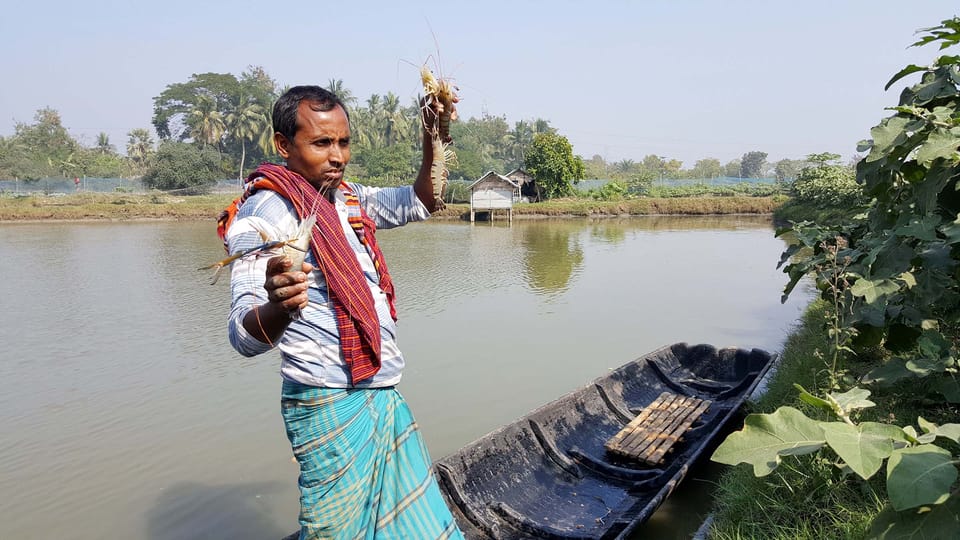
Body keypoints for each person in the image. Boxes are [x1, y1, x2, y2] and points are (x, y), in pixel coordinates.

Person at [219, 85, 463, 539]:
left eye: (343, 143)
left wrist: (434, 135)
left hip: (380, 388)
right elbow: (242, 335)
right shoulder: (264, 215)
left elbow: (421, 201)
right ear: (283, 145)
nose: (337, 156)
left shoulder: (346, 197)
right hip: (328, 400)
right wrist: (278, 306)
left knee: (413, 525)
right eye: (321, 143)